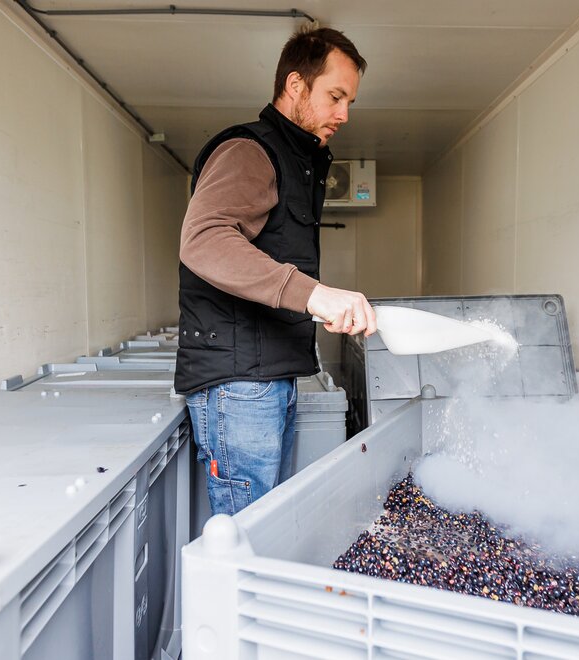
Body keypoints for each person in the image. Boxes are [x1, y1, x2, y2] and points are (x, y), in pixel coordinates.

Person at [176, 27, 377, 516]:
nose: (344, 114)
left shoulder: (298, 161)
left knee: (264, 526)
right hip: (241, 384)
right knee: (245, 538)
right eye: (335, 96)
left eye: (349, 100)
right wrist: (315, 295)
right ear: (294, 86)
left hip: (268, 376)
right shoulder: (250, 151)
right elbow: (203, 240)